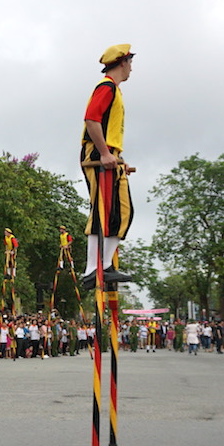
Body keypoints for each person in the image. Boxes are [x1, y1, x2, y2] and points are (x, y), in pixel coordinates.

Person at [80, 44, 135, 290]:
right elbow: (91, 119)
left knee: (121, 212)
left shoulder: (115, 91)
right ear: (123, 63)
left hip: (110, 155)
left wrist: (115, 156)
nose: (132, 68)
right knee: (102, 208)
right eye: (130, 63)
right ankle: (93, 267)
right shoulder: (107, 87)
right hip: (99, 154)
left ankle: (104, 265)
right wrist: (104, 153)